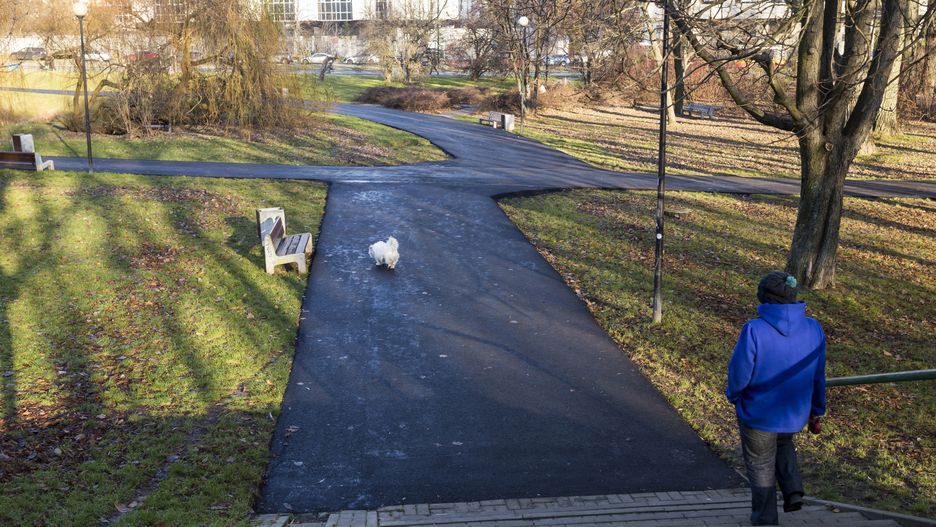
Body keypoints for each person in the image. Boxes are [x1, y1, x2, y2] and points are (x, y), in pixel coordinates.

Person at [726, 271, 826, 526]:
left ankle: (765, 519)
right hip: (795, 411)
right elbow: (818, 374)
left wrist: (734, 396)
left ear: (764, 297)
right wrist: (817, 408)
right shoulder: (814, 328)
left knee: (760, 464)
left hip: (759, 412)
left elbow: (740, 373)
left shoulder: (754, 329)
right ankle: (793, 491)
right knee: (783, 442)